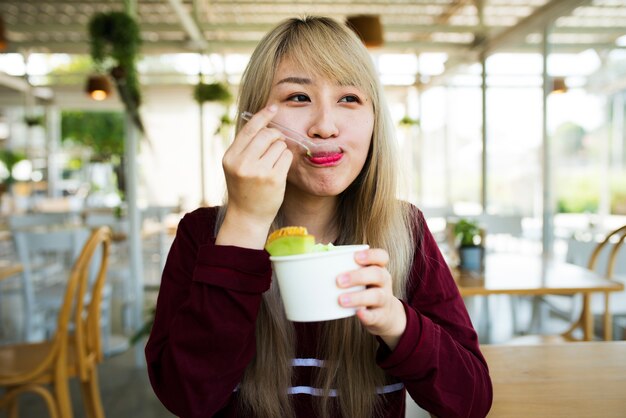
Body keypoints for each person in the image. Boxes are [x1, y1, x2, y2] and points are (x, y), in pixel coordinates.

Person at [145, 16, 492, 418]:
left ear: (375, 120)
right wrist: (245, 224)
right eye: (297, 97)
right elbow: (187, 398)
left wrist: (397, 321)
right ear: (254, 119)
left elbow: (471, 402)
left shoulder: (406, 230)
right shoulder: (204, 235)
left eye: (349, 99)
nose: (325, 126)